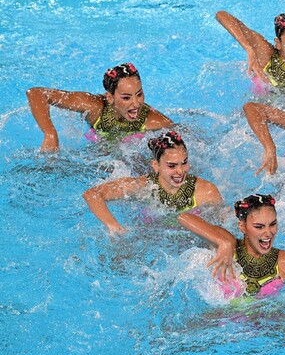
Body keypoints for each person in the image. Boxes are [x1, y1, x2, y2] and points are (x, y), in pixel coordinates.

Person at [82, 131, 224, 235]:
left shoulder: (206, 191)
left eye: (184, 163)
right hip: (151, 235)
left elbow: (221, 222)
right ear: (156, 166)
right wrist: (114, 226)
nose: (180, 171)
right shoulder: (143, 186)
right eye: (172, 166)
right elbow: (92, 194)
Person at [177, 194, 285, 297]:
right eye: (259, 227)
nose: (268, 233)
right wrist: (224, 242)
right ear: (242, 227)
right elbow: (184, 217)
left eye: (272, 224)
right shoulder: (229, 244)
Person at [26, 62, 173, 151]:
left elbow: (180, 135)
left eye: (139, 94)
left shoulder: (152, 120)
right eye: (126, 98)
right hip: (96, 148)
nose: (136, 104)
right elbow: (36, 93)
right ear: (110, 97)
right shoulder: (95, 106)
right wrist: (50, 133)